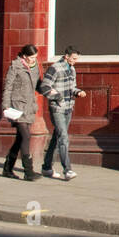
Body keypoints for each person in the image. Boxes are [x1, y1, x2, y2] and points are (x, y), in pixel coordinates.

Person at [39, 45, 86, 180]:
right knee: (63, 137)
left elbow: (72, 87)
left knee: (57, 136)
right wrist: (57, 97)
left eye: (76, 59)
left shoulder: (72, 69)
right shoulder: (55, 68)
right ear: (66, 56)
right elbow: (44, 86)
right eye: (73, 58)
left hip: (68, 107)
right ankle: (68, 170)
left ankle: (47, 167)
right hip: (57, 108)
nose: (75, 61)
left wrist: (78, 92)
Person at [1, 44, 42, 181]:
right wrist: (6, 106)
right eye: (31, 57)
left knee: (20, 139)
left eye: (35, 57)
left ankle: (7, 168)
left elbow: (38, 85)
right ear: (24, 56)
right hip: (17, 107)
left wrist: (50, 91)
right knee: (26, 136)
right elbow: (8, 87)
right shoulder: (15, 66)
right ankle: (28, 171)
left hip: (30, 107)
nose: (34, 59)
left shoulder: (35, 66)